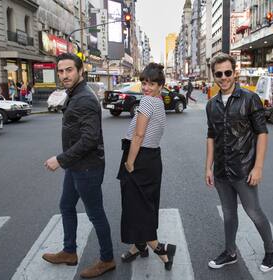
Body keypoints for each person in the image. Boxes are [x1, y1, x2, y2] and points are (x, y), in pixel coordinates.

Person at [42, 53, 115, 279]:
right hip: (76, 165)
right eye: (61, 71)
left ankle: (107, 259)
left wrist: (60, 159)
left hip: (87, 167)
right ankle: (69, 251)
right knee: (66, 206)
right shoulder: (74, 94)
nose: (64, 75)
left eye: (69, 70)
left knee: (95, 214)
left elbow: (89, 139)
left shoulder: (83, 98)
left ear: (80, 71)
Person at [205, 53, 273, 272]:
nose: (224, 77)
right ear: (214, 75)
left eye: (228, 72)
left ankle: (270, 249)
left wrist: (258, 167)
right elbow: (211, 136)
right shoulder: (211, 104)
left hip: (245, 169)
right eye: (219, 74)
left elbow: (261, 133)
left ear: (234, 72)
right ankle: (230, 252)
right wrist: (208, 167)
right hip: (221, 171)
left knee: (253, 212)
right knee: (228, 214)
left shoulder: (249, 98)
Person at [117, 63, 176, 271]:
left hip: (139, 158)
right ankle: (138, 245)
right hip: (152, 160)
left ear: (161, 85)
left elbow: (139, 135)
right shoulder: (159, 102)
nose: (146, 87)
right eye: (143, 83)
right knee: (145, 205)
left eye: (151, 83)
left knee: (136, 207)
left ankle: (160, 249)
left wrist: (130, 161)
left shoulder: (148, 103)